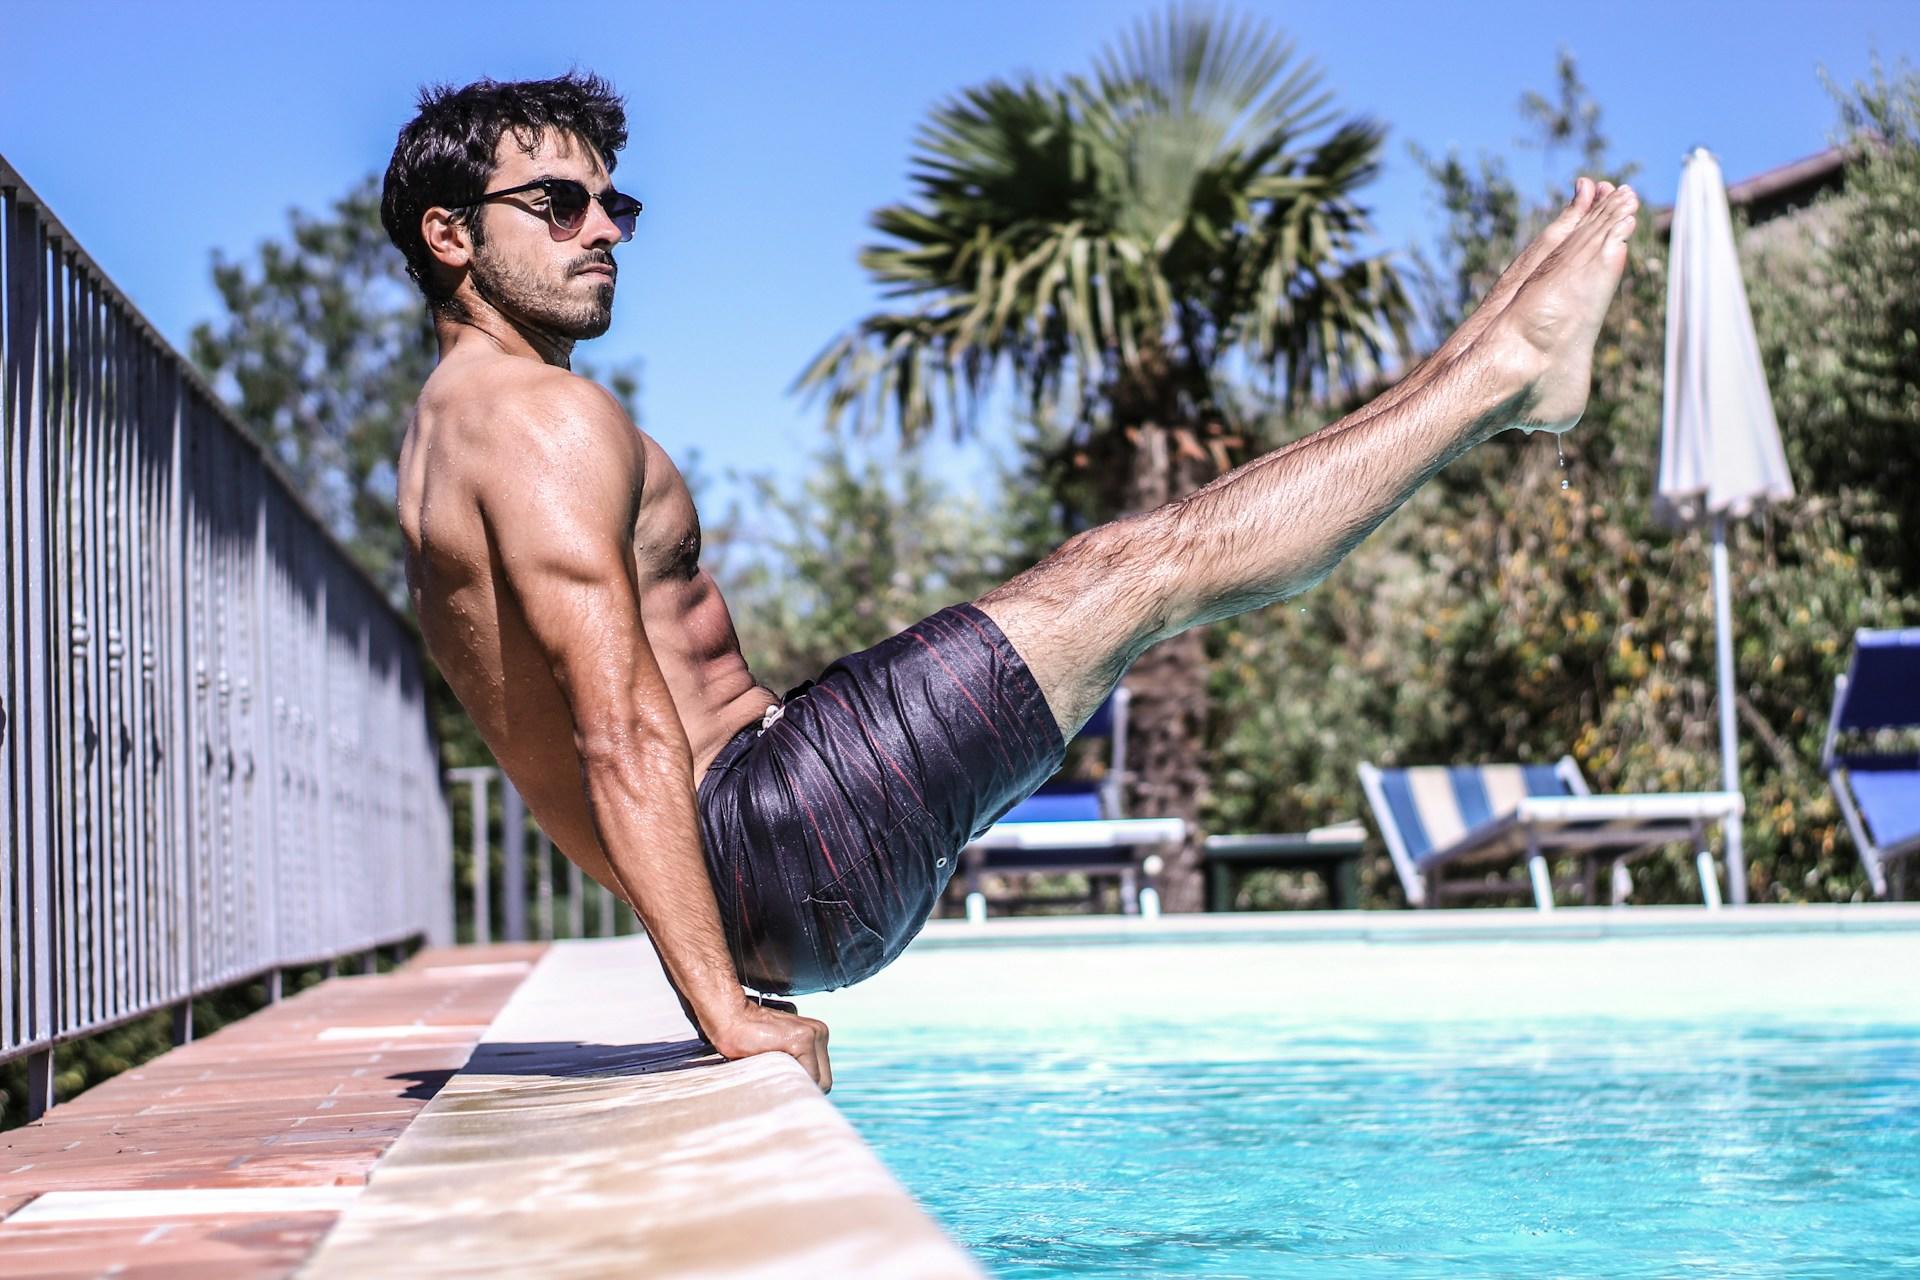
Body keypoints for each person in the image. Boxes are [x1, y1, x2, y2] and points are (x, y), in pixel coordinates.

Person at [384, 73, 1639, 1095]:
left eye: (613, 203)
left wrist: (722, 965)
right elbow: (614, 728)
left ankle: (1492, 360)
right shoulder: (537, 422)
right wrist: (724, 1008)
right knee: (1141, 565)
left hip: (764, 857)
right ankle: (1500, 375)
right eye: (558, 203)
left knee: (1131, 565)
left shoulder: (452, 432)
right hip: (771, 834)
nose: (604, 229)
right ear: (451, 236)